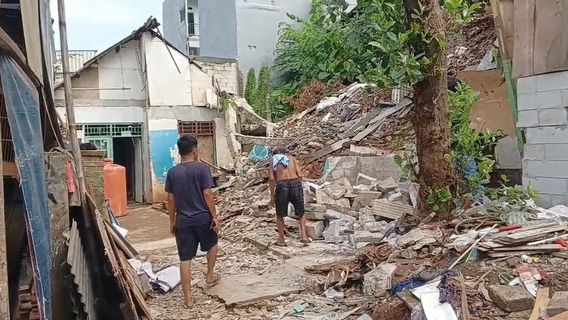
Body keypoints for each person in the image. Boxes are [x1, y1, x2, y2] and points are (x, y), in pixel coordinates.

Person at [165, 134, 220, 309]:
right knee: (213, 244)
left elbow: (170, 199)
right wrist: (215, 216)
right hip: (203, 218)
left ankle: (188, 299)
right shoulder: (202, 169)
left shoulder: (173, 172)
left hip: (183, 221)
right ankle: (210, 274)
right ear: (195, 150)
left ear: (180, 152)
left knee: (185, 258)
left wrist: (172, 221)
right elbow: (207, 194)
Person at [268, 147, 309, 246]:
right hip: (295, 183)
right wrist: (299, 186)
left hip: (282, 185)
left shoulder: (273, 160)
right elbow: (299, 174)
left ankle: (281, 240)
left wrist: (272, 195)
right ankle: (304, 236)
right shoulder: (292, 158)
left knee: (280, 214)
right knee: (301, 211)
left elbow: (271, 179)